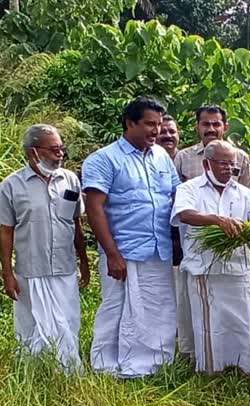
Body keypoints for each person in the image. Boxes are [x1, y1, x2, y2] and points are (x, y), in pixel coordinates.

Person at [82, 96, 180, 378]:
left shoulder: (162, 157)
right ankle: (107, 366)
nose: (156, 131)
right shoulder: (103, 159)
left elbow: (174, 198)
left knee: (157, 308)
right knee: (116, 309)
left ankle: (152, 365)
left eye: (159, 124)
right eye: (150, 124)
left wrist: (176, 242)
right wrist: (112, 253)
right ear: (129, 123)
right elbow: (94, 208)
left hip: (158, 249)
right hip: (123, 251)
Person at [0, 124, 89, 373]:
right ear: (34, 152)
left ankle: (67, 372)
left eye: (62, 149)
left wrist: (84, 261)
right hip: (30, 270)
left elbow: (76, 223)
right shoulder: (12, 185)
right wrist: (7, 274)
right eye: (54, 150)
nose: (61, 154)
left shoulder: (70, 180)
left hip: (64, 268)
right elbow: (6, 231)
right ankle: (34, 373)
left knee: (67, 321)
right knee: (32, 324)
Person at [172, 140, 250, 374]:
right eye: (222, 163)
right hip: (204, 267)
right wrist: (217, 220)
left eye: (232, 165)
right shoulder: (189, 189)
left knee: (243, 320)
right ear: (206, 163)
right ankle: (211, 370)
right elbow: (184, 214)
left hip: (237, 268)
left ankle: (247, 368)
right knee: (210, 324)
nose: (228, 169)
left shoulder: (242, 192)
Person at [159, 114, 195, 365]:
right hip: (157, 244)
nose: (167, 136)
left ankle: (186, 348)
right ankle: (162, 346)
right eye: (162, 131)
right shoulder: (148, 162)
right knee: (162, 298)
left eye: (172, 131)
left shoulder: (187, 161)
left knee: (185, 299)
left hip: (186, 245)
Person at [175, 105, 250, 188]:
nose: (211, 129)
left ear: (226, 127)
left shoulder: (240, 157)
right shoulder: (183, 157)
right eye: (205, 124)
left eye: (216, 124)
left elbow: (246, 191)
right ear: (197, 127)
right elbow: (176, 192)